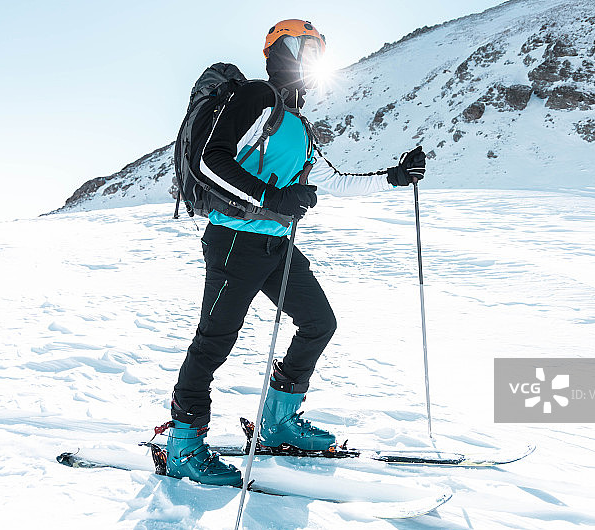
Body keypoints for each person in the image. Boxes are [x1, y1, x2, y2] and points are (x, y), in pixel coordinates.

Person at [166, 19, 426, 486]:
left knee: (319, 322)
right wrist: (269, 198)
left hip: (275, 246)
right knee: (214, 342)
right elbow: (211, 159)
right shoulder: (255, 96)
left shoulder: (297, 121)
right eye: (304, 46)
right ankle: (184, 443)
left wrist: (393, 176)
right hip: (234, 243)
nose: (312, 57)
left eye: (318, 49)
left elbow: (315, 185)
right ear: (278, 49)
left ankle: (277, 421)